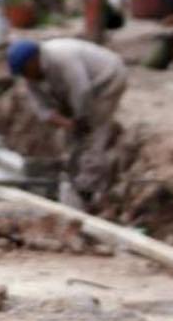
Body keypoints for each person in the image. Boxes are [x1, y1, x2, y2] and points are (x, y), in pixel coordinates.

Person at [7, 37, 128, 209]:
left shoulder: (62, 57)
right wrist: (68, 124)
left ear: (34, 60)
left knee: (94, 133)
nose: (25, 76)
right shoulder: (29, 77)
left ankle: (87, 190)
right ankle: (75, 176)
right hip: (76, 93)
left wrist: (81, 120)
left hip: (107, 78)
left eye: (26, 71)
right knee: (73, 139)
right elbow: (43, 110)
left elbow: (82, 90)